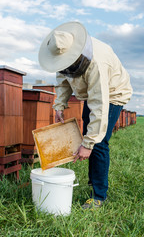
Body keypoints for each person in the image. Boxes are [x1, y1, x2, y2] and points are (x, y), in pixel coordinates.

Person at [38, 21, 132, 210]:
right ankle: (93, 182)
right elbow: (63, 78)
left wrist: (88, 144)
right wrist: (59, 105)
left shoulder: (97, 63)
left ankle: (99, 195)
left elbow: (100, 103)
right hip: (93, 94)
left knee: (99, 142)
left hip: (112, 94)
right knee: (91, 134)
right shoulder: (64, 50)